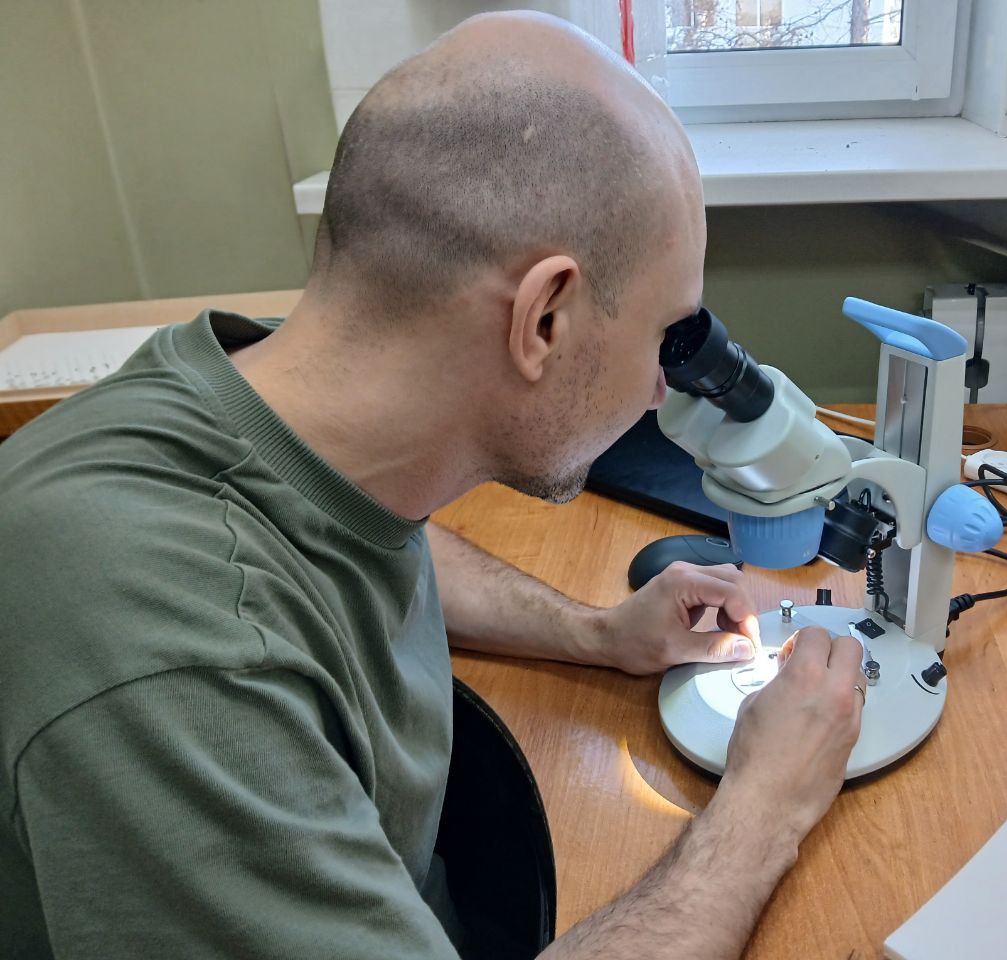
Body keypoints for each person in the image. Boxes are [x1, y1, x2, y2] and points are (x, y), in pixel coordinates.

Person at [0, 11, 864, 960]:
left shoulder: (280, 404)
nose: (664, 387)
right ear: (544, 318)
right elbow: (245, 616)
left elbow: (349, 535)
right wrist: (764, 807)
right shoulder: (183, 667)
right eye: (666, 339)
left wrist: (594, 633)